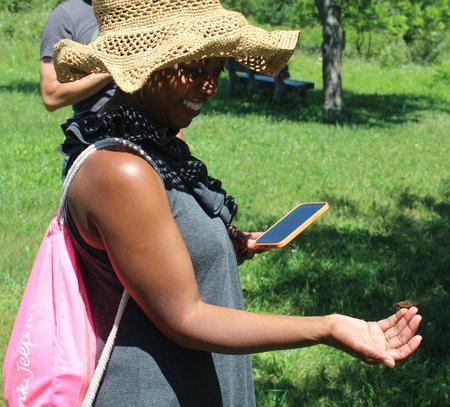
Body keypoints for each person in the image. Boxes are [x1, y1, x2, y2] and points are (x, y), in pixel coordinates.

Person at [53, 0, 423, 405]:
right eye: (194, 69)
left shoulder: (156, 143)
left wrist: (222, 247)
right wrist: (328, 327)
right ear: (144, 63)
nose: (209, 87)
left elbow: (158, 246)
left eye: (216, 71)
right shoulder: (120, 170)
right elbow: (184, 317)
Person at [40, 0, 114, 113]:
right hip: (100, 123)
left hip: (149, 123)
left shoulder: (145, 8)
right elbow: (51, 96)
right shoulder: (65, 16)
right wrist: (114, 68)